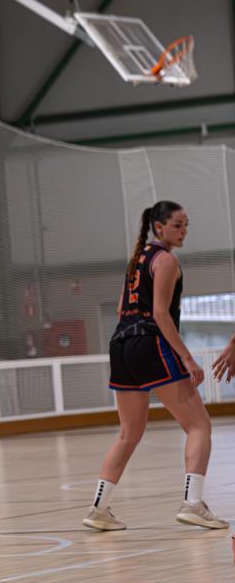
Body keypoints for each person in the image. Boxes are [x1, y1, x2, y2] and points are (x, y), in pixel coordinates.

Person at [85, 201, 227, 532]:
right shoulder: (166, 261)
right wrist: (187, 358)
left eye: (186, 225)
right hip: (149, 343)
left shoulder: (136, 260)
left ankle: (98, 509)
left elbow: (121, 309)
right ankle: (193, 504)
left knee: (128, 434)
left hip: (120, 346)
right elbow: (161, 315)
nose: (184, 231)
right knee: (199, 426)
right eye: (178, 225)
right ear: (158, 227)